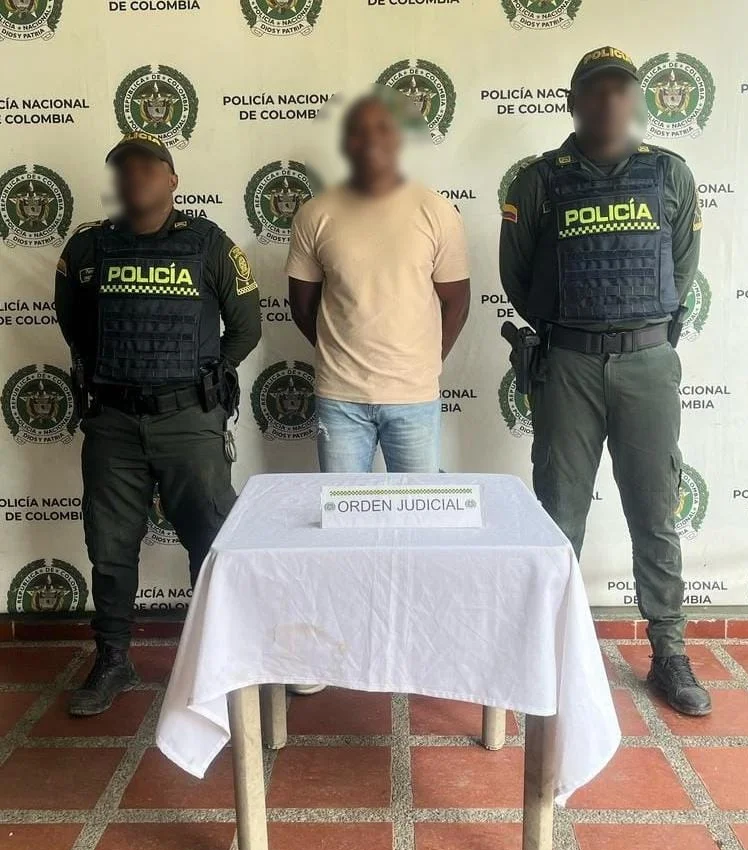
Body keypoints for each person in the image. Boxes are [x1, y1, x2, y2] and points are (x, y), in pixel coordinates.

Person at [499, 47, 711, 717]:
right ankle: (550, 651)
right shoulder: (538, 181)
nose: (611, 100)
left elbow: (681, 270)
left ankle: (669, 651)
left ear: (637, 100)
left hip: (648, 364)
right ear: (573, 102)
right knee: (559, 510)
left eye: (623, 89)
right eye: (597, 90)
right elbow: (518, 278)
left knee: (655, 510)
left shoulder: (669, 174)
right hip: (569, 365)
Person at [54, 132, 261, 715]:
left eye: (149, 166)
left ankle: (213, 661)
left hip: (189, 420)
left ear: (173, 180)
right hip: (113, 422)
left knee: (209, 540)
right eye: (124, 168)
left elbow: (246, 328)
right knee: (109, 546)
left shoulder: (211, 245)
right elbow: (73, 325)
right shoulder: (88, 249)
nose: (136, 176)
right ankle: (113, 659)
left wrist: (203, 382)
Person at [286, 94, 471, 476]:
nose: (371, 139)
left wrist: (426, 363)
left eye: (382, 128)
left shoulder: (437, 212)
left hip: (414, 397)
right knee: (343, 509)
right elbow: (302, 306)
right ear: (346, 142)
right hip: (340, 400)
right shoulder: (314, 214)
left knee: (417, 510)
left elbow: (457, 302)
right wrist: (341, 355)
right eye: (359, 130)